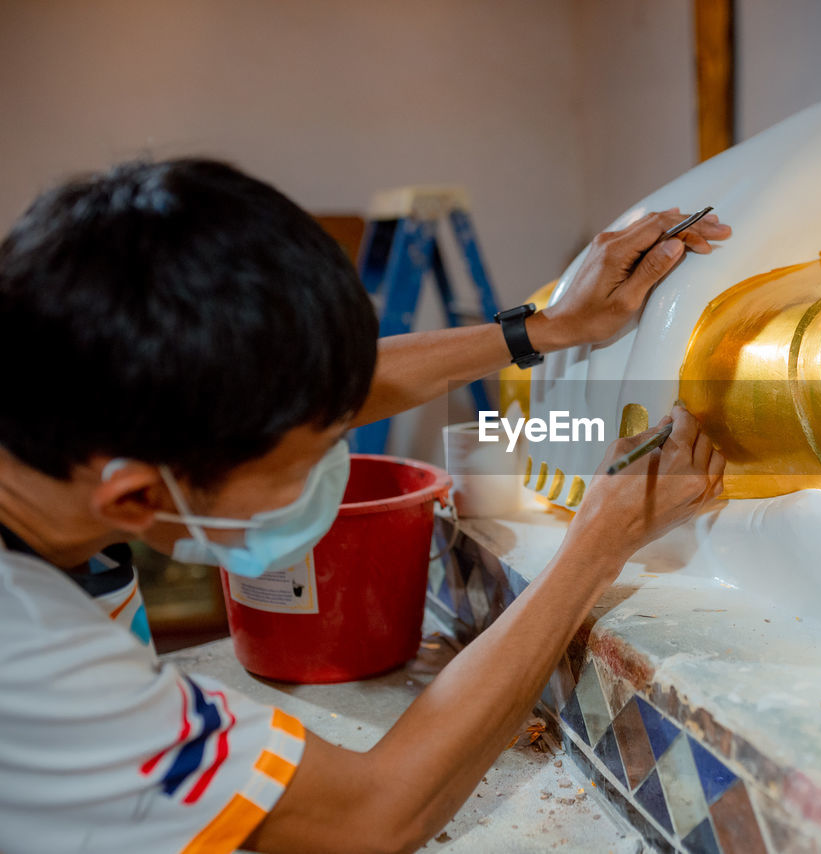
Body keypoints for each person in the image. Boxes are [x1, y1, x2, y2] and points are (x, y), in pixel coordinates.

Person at [0, 158, 731, 854]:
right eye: (306, 461)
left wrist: (546, 327)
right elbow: (369, 818)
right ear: (134, 496)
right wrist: (596, 547)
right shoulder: (36, 665)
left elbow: (311, 394)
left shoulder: (58, 422)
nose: (332, 466)